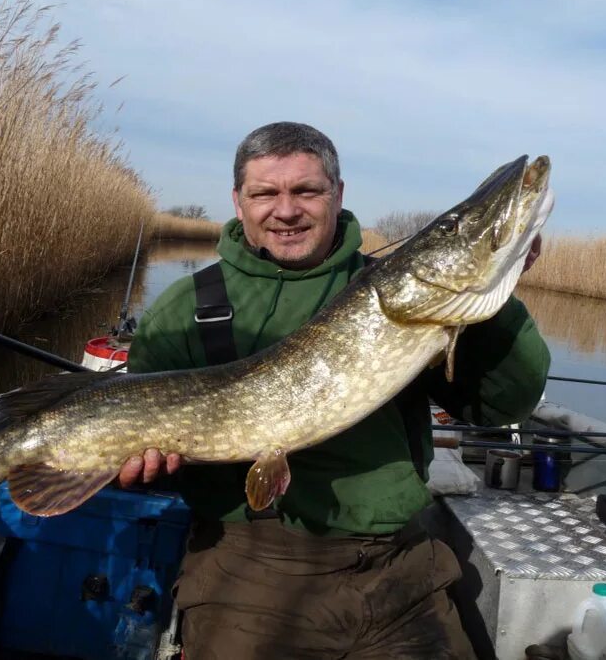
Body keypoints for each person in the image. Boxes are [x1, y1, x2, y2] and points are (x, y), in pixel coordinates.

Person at [120, 122, 551, 659]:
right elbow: (137, 451)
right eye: (264, 193)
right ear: (238, 201)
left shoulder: (402, 295)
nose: (286, 210)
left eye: (306, 191)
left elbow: (500, 408)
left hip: (401, 570)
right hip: (248, 574)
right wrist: (141, 463)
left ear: (338, 195)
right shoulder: (183, 309)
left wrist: (497, 297)